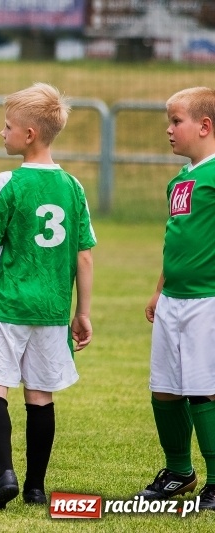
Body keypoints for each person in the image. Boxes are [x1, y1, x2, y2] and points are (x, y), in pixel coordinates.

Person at [0, 82, 95, 509]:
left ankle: (4, 475)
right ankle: (36, 487)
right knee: (40, 394)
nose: (2, 134)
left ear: (29, 134)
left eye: (7, 127)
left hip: (11, 303)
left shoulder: (9, 182)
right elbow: (84, 257)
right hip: (54, 308)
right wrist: (82, 312)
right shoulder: (73, 187)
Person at [138, 87, 215, 510]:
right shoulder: (180, 180)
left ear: (204, 126)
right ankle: (179, 472)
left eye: (176, 121)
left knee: (204, 389)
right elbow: (177, 238)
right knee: (165, 388)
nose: (168, 130)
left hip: (208, 299)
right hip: (174, 300)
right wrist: (159, 287)